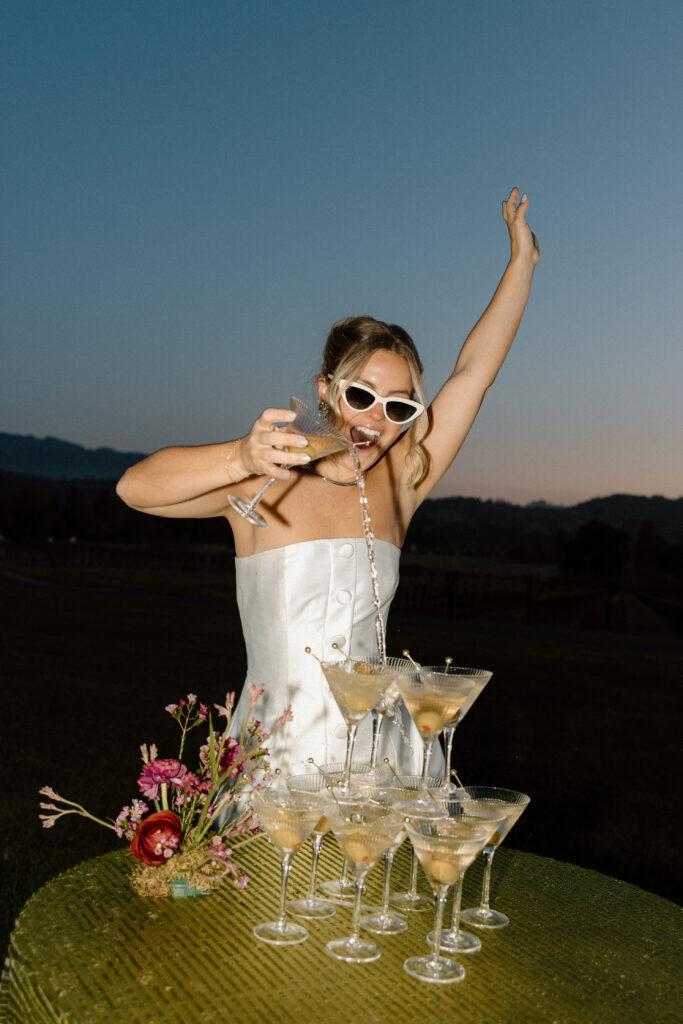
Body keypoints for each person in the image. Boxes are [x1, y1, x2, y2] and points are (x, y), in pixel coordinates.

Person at [117, 187, 540, 777]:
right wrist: (241, 457)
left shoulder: (402, 480)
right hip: (275, 762)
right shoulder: (269, 479)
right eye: (363, 395)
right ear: (327, 391)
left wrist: (522, 262)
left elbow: (474, 373)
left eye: (398, 407)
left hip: (383, 763)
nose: (375, 418)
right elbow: (134, 489)